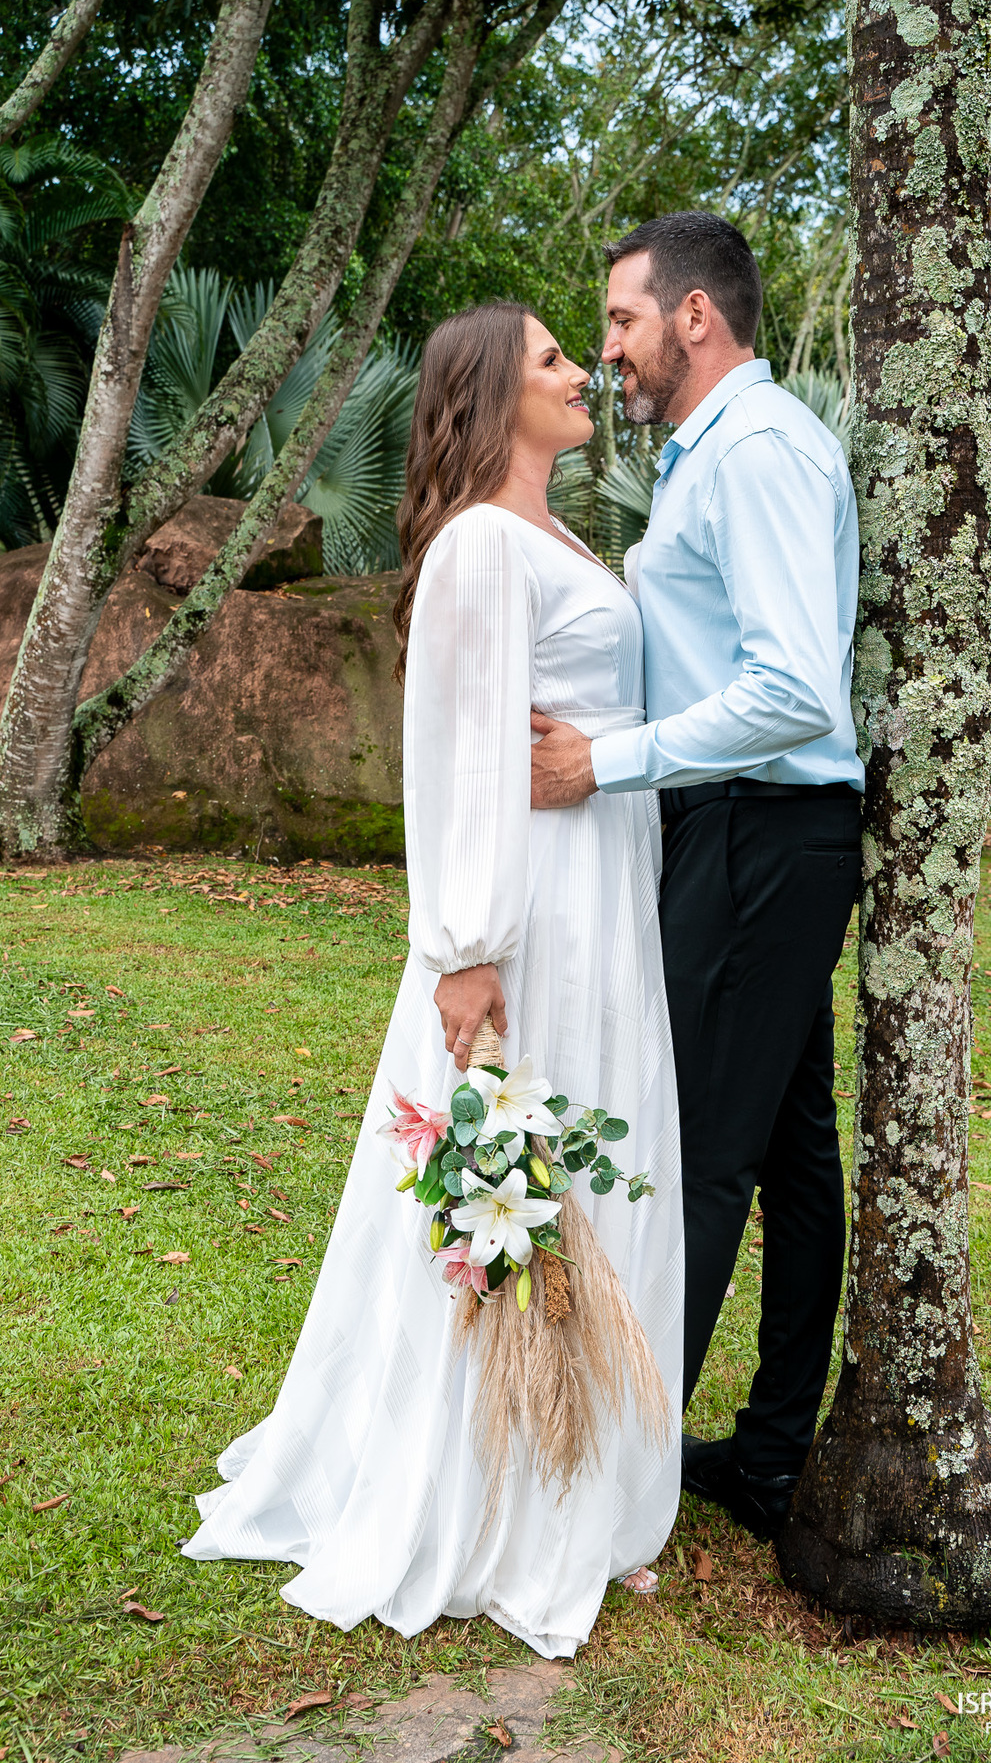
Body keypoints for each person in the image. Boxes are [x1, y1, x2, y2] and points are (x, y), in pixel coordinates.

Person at [182, 302, 683, 1658]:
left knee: (591, 1173)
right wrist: (463, 951)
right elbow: (457, 755)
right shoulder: (475, 546)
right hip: (530, 924)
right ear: (487, 397)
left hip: (603, 901)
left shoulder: (557, 533)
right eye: (550, 364)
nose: (582, 372)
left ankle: (586, 1477)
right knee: (514, 1199)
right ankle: (498, 1495)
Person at [530, 211, 863, 1545]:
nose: (607, 350)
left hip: (760, 828)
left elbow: (790, 688)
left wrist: (615, 760)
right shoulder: (708, 455)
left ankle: (625, 1476)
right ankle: (773, 1456)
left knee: (702, 1155)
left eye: (618, 321)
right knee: (789, 1147)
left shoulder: (763, 453)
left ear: (693, 318)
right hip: (751, 828)